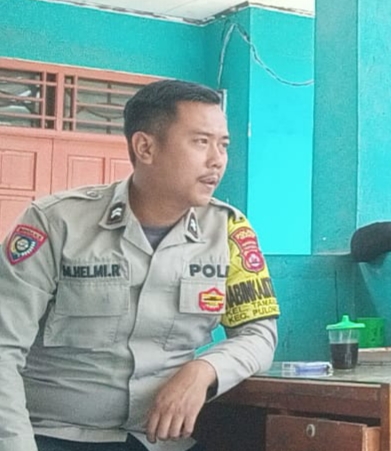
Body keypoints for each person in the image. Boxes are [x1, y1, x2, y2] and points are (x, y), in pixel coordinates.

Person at [0, 80, 280, 451]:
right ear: (145, 147)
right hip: (54, 434)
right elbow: (4, 347)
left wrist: (204, 369)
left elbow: (259, 334)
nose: (217, 160)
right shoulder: (56, 223)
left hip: (160, 441)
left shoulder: (228, 231)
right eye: (201, 142)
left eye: (223, 144)